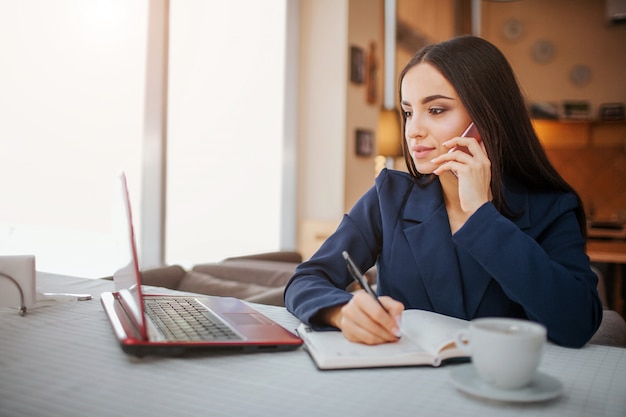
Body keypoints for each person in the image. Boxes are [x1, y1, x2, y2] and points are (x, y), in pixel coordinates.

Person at [284, 35, 602, 349]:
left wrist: (482, 215)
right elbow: (305, 281)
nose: (414, 130)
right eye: (408, 112)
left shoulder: (551, 207)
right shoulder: (390, 196)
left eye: (435, 110)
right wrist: (340, 311)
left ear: (486, 118)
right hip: (399, 385)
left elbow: (576, 323)